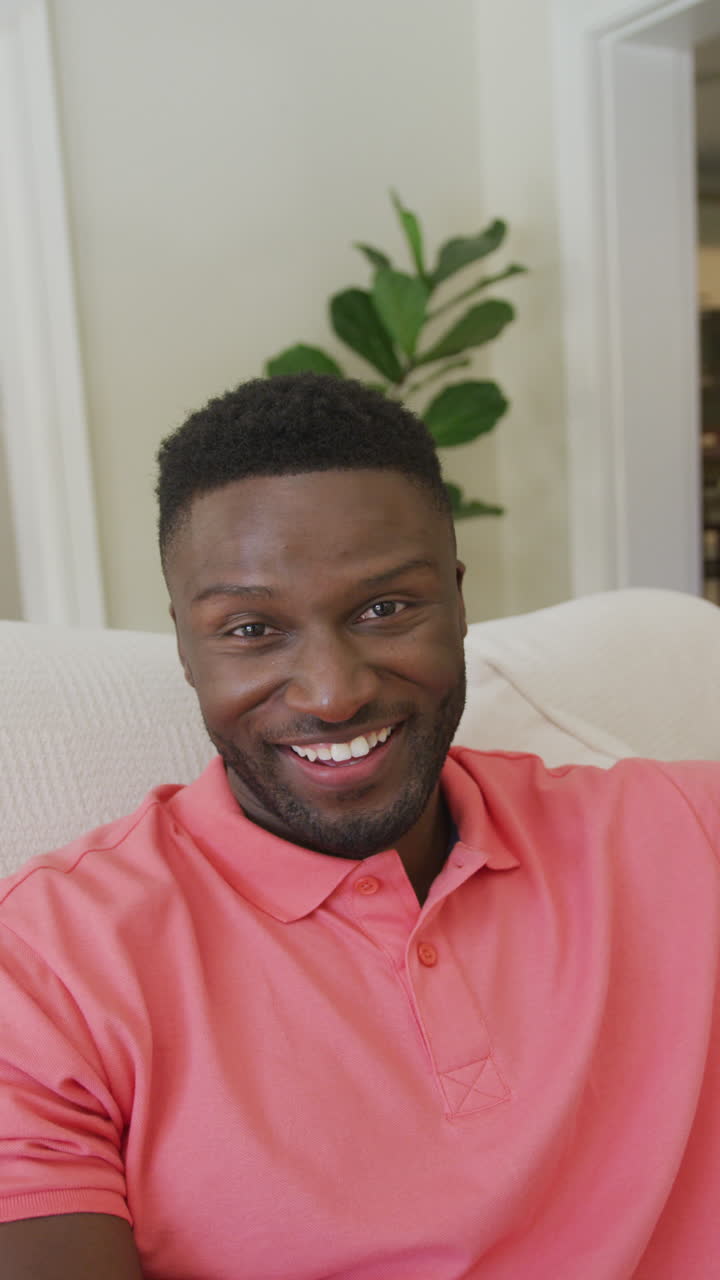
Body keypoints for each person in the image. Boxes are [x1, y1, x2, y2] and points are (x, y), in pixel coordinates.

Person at [0, 373, 719, 1280]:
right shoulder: (44, 967)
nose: (334, 692)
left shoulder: (683, 833)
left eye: (384, 609)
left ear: (458, 604)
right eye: (252, 628)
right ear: (184, 647)